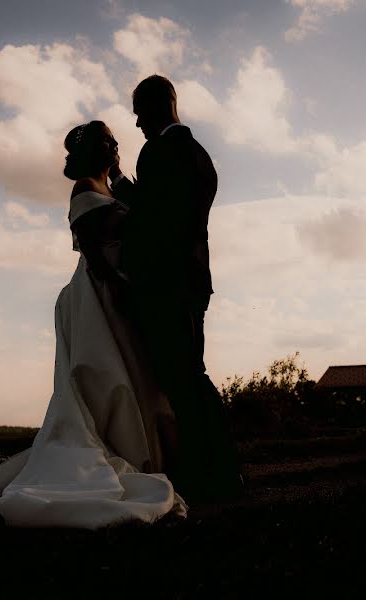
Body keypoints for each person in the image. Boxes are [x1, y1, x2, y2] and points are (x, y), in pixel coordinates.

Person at [0, 121, 184, 529]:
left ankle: (142, 450)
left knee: (133, 375)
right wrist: (125, 292)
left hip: (121, 287)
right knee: (105, 375)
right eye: (108, 141)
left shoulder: (114, 189)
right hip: (100, 293)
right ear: (94, 149)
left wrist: (121, 180)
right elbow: (94, 251)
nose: (116, 145)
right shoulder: (83, 188)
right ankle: (109, 457)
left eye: (115, 141)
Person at [108, 75, 242, 502]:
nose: (137, 125)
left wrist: (118, 190)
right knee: (189, 375)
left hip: (166, 285)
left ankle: (213, 474)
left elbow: (150, 222)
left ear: (160, 105)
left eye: (139, 113)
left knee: (183, 379)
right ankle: (215, 469)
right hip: (192, 282)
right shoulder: (199, 155)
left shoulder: (160, 151)